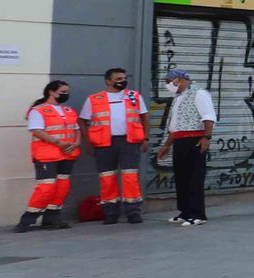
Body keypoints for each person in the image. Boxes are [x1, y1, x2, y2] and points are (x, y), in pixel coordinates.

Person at [81, 67, 150, 225]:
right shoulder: (94, 99)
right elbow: (82, 121)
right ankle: (110, 213)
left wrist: (145, 137)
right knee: (107, 178)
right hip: (104, 143)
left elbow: (144, 116)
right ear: (108, 81)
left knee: (130, 177)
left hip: (129, 142)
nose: (123, 81)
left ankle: (133, 212)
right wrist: (88, 141)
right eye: (118, 79)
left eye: (124, 78)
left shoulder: (134, 96)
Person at [16, 80, 79, 232]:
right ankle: (27, 220)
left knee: (62, 186)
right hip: (47, 155)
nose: (66, 94)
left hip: (67, 154)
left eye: (67, 92)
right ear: (51, 92)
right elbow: (37, 131)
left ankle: (51, 218)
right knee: (47, 187)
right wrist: (59, 143)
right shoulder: (38, 110)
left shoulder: (69, 111)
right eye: (63, 91)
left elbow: (76, 130)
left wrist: (76, 143)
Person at [155, 68, 216, 226]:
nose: (168, 85)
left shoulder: (199, 93)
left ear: (179, 80)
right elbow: (175, 125)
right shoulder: (178, 97)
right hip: (180, 140)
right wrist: (167, 145)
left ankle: (198, 214)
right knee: (181, 176)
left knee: (194, 177)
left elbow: (208, 116)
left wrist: (206, 137)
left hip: (194, 139)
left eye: (169, 82)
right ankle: (185, 211)